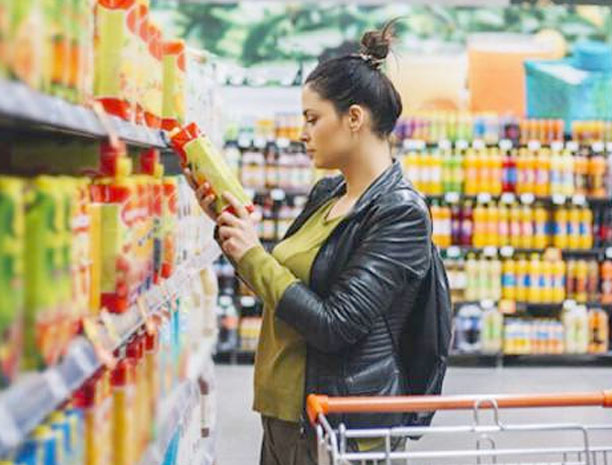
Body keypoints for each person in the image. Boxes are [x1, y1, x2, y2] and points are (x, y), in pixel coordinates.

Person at [186, 19, 447, 465]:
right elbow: (286, 285)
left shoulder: (400, 213)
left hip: (338, 428)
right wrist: (234, 234)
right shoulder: (329, 193)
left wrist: (254, 254)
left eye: (312, 118)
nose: (302, 133)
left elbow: (335, 324)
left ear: (354, 118)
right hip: (286, 416)